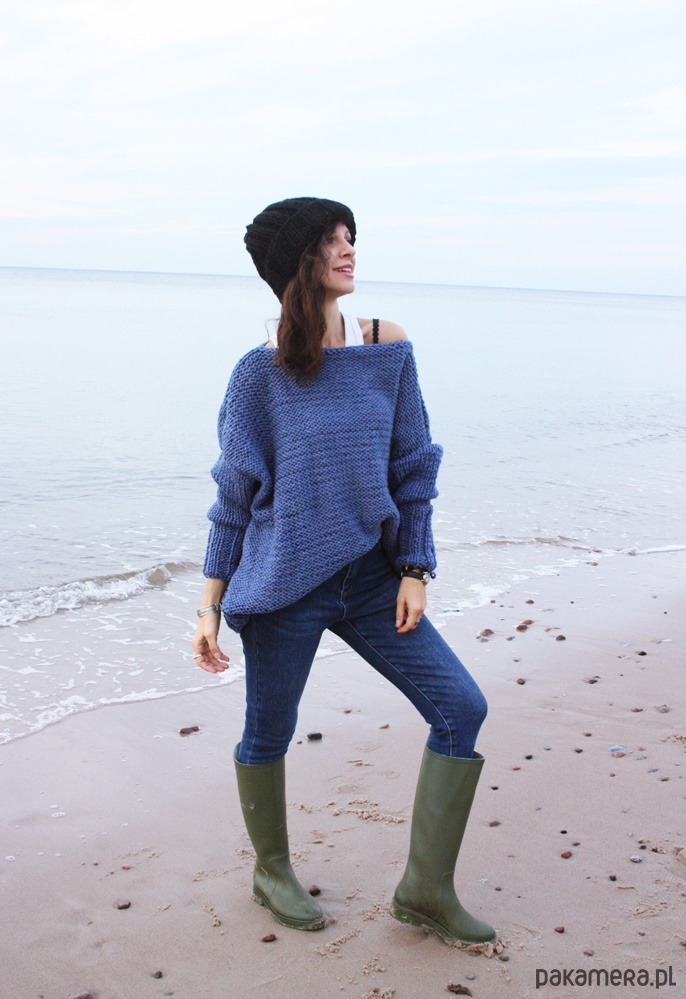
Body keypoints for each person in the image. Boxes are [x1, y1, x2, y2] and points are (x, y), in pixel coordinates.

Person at [192, 197, 495, 947]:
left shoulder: (386, 345)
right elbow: (233, 498)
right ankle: (272, 872)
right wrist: (208, 606)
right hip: (284, 586)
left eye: (351, 236)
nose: (349, 249)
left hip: (372, 579)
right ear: (299, 261)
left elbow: (413, 466)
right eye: (332, 240)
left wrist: (416, 567)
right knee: (268, 732)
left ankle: (426, 890)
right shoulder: (257, 375)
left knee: (461, 707)